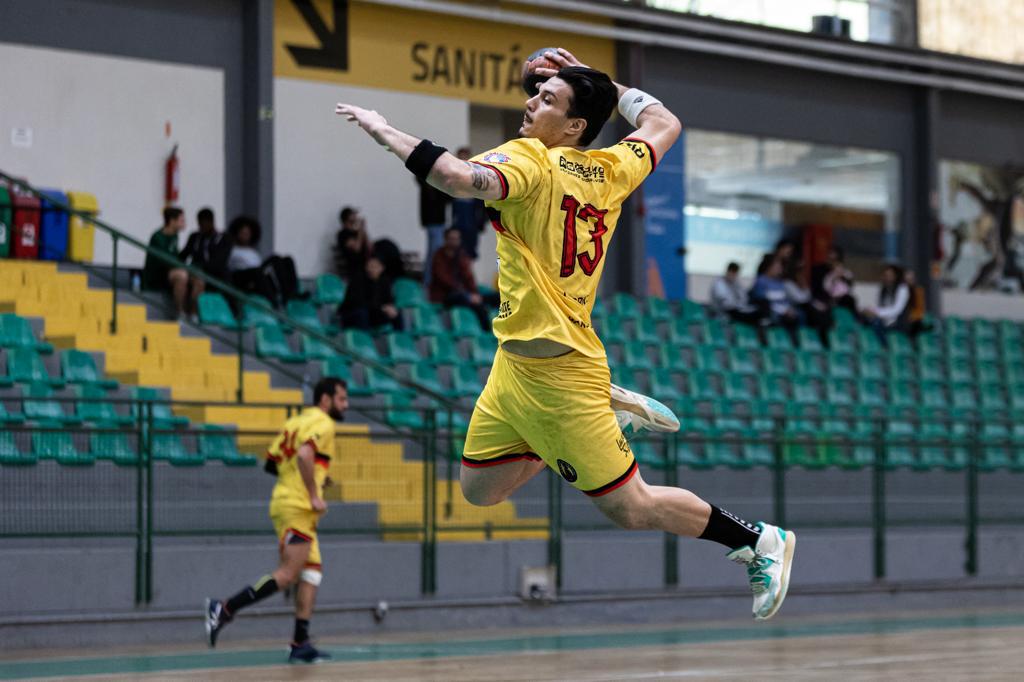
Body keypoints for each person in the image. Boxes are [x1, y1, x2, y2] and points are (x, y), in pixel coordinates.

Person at [336, 46, 795, 621]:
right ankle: (598, 413)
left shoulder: (530, 160)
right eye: (537, 92)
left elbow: (454, 177)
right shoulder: (612, 167)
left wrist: (384, 131)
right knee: (478, 491)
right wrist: (600, 81)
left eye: (547, 97)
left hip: (562, 375)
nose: (531, 102)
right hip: (514, 368)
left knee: (632, 508)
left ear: (575, 126)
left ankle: (756, 541)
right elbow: (664, 122)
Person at [205, 377, 349, 663]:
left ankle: (300, 642)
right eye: (342, 398)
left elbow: (273, 464)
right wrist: (312, 493)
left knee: (312, 573)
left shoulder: (294, 421)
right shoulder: (324, 423)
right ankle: (223, 609)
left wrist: (319, 479)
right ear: (325, 399)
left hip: (289, 502)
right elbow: (305, 454)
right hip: (298, 507)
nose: (346, 404)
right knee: (287, 574)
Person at [226, 215, 304, 307]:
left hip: (258, 275)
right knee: (267, 264)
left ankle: (291, 293)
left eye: (247, 233)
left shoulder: (253, 252)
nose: (245, 236)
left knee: (286, 259)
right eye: (242, 233)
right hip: (244, 278)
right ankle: (274, 303)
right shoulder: (232, 250)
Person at [430, 227, 491, 331]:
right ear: (445, 239)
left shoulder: (461, 256)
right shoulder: (439, 256)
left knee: (496, 298)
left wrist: (474, 293)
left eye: (456, 239)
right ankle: (487, 331)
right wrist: (467, 295)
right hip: (445, 296)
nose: (454, 241)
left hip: (463, 294)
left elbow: (468, 277)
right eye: (451, 238)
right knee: (475, 305)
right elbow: (444, 280)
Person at [142, 207, 190, 320]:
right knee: (181, 276)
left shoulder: (175, 236)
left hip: (170, 271)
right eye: (181, 220)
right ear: (172, 221)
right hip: (157, 275)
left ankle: (193, 314)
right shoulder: (157, 237)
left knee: (198, 279)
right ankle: (179, 313)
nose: (184, 223)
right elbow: (165, 261)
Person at [179, 207, 232, 306]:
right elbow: (183, 255)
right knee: (195, 281)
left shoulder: (224, 238)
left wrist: (201, 267)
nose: (202, 227)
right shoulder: (195, 237)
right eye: (200, 223)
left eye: (204, 223)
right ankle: (191, 313)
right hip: (196, 273)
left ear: (211, 222)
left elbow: (220, 261)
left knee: (226, 280)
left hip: (216, 274)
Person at [338, 255, 403, 331]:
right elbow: (358, 302)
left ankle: (399, 340)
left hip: (373, 313)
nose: (372, 269)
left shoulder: (384, 281)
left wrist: (391, 307)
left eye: (375, 267)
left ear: (382, 268)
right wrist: (381, 308)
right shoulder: (358, 279)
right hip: (351, 314)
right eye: (370, 266)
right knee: (362, 313)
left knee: (396, 314)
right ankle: (363, 341)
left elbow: (389, 299)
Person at [750, 257, 800, 346]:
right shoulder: (761, 281)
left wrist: (789, 309)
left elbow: (785, 301)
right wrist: (783, 311)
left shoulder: (780, 283)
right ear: (769, 267)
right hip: (771, 313)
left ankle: (794, 347)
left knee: (798, 315)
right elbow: (763, 302)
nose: (780, 269)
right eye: (777, 266)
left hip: (785, 314)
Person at [451, 147, 487, 260]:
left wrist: (481, 220)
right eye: (460, 158)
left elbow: (483, 198)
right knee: (456, 250)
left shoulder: (477, 174)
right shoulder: (452, 175)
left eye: (465, 158)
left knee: (470, 249)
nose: (462, 161)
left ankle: (468, 274)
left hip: (472, 217)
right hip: (458, 216)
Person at [861, 263, 910, 347]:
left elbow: (896, 310)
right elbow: (879, 306)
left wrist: (877, 313)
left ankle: (885, 348)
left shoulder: (902, 289)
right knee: (863, 319)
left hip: (897, 322)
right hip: (885, 320)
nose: (887, 278)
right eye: (886, 275)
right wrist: (869, 310)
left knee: (876, 322)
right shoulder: (883, 289)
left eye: (890, 275)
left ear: (896, 276)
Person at [417, 174, 451, 287]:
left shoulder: (428, 181)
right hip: (435, 220)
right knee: (435, 253)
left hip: (435, 220)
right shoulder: (430, 182)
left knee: (433, 252)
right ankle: (430, 283)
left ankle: (429, 282)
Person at [709, 262, 764, 328]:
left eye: (735, 273)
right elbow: (725, 303)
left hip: (738, 310)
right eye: (732, 272)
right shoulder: (719, 284)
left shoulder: (736, 284)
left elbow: (744, 298)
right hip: (724, 312)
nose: (733, 275)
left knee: (758, 314)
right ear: (728, 271)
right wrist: (737, 305)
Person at [333, 206, 370, 278]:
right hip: (354, 265)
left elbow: (370, 247)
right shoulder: (342, 234)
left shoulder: (358, 233)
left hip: (365, 262)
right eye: (353, 214)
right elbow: (357, 248)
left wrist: (364, 231)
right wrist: (360, 230)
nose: (356, 217)